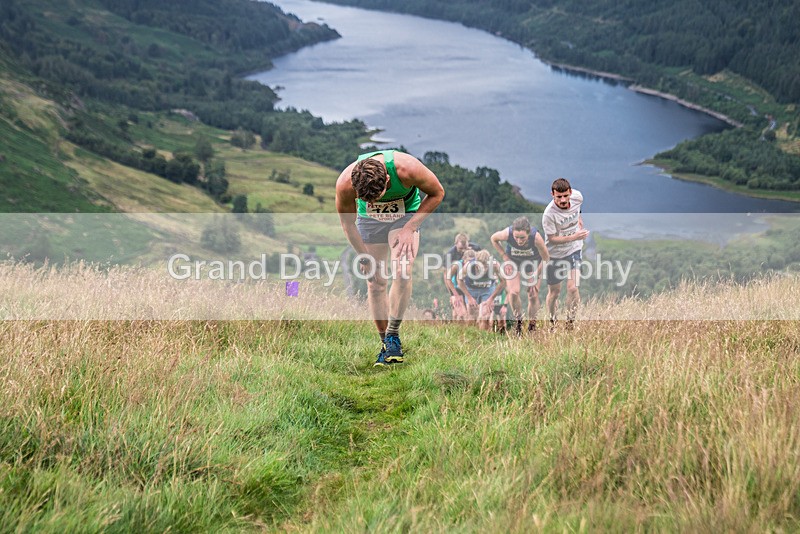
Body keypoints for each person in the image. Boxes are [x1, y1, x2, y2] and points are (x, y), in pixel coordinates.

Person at [336, 149, 445, 366]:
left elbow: (437, 193)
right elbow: (348, 224)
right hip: (369, 221)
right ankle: (385, 343)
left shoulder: (407, 168)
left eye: (379, 195)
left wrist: (410, 228)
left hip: (405, 217)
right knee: (375, 282)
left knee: (402, 272)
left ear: (387, 179)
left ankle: (394, 335)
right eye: (367, 198)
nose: (377, 201)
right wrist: (363, 257)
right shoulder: (345, 184)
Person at [490, 216, 550, 335]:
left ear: (528, 233)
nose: (519, 241)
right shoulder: (507, 233)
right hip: (514, 261)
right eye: (516, 237)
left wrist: (535, 275)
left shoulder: (536, 238)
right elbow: (493, 239)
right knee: (513, 292)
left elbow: (546, 258)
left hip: (533, 263)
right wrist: (504, 256)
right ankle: (519, 322)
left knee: (532, 294)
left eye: (522, 238)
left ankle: (532, 326)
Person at [542, 178, 589, 330]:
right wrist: (574, 236)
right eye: (558, 197)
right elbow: (552, 239)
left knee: (573, 288)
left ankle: (570, 324)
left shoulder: (578, 197)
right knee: (555, 292)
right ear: (552, 195)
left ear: (570, 192)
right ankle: (553, 322)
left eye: (565, 196)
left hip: (574, 249)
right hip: (554, 254)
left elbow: (577, 209)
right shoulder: (549, 215)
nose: (563, 200)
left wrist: (579, 219)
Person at [457, 249, 506, 331]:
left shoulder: (495, 265)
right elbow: (459, 280)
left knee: (485, 316)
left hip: (487, 289)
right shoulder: (468, 266)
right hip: (471, 289)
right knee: (471, 315)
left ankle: (484, 336)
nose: (483, 269)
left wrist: (491, 299)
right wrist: (469, 297)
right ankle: (472, 336)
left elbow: (503, 281)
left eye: (486, 266)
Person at [444, 248, 476, 322]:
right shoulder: (457, 265)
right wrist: (455, 295)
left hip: (467, 289)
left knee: (469, 314)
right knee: (462, 314)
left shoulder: (475, 265)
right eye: (468, 261)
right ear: (464, 259)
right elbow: (448, 279)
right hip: (456, 288)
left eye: (472, 261)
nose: (469, 264)